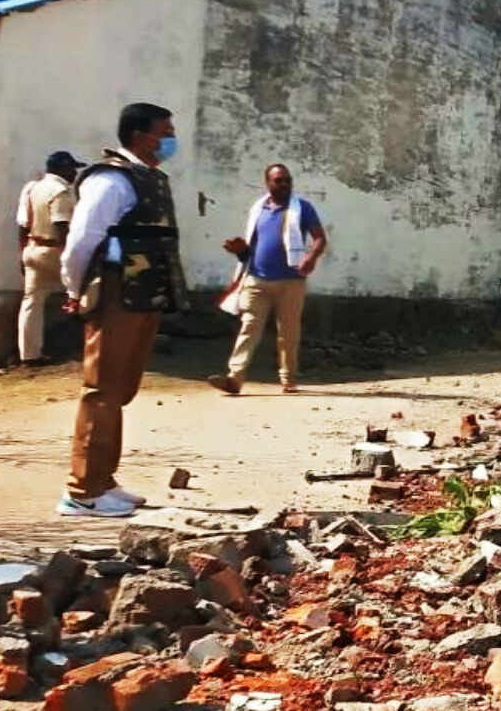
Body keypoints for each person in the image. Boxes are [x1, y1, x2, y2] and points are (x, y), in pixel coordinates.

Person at [56, 102, 185, 518]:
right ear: (138, 135)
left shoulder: (148, 178)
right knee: (101, 390)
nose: (170, 139)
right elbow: (82, 240)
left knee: (120, 389)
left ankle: (102, 480)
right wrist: (75, 288)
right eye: (164, 131)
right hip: (114, 291)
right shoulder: (111, 180)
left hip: (142, 292)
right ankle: (81, 491)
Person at [207, 163, 328, 395]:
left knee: (288, 332)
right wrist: (240, 251)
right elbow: (251, 247)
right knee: (248, 328)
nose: (284, 184)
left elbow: (320, 238)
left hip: (291, 281)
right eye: (278, 180)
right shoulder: (258, 209)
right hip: (256, 279)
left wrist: (311, 257)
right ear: (268, 183)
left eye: (287, 180)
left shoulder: (301, 207)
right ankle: (234, 378)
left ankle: (288, 379)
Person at [15, 151, 82, 366]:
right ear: (63, 168)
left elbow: (22, 225)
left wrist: (22, 253)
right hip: (54, 250)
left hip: (32, 248)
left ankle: (29, 355)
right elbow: (61, 225)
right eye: (72, 169)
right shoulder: (61, 191)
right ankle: (86, 346)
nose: (74, 173)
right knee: (86, 292)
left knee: (31, 302)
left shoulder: (31, 188)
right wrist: (71, 257)